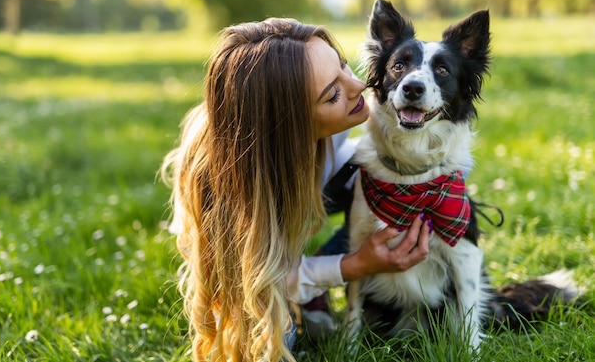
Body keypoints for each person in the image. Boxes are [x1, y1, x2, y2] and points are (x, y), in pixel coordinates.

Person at [161, 18, 430, 362]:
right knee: (272, 340)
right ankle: (312, 283)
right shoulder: (230, 184)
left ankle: (315, 276)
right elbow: (261, 279)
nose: (358, 85)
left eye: (343, 64)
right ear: (290, 126)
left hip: (308, 177)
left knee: (384, 176)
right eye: (332, 93)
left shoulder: (335, 113)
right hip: (252, 239)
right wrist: (352, 266)